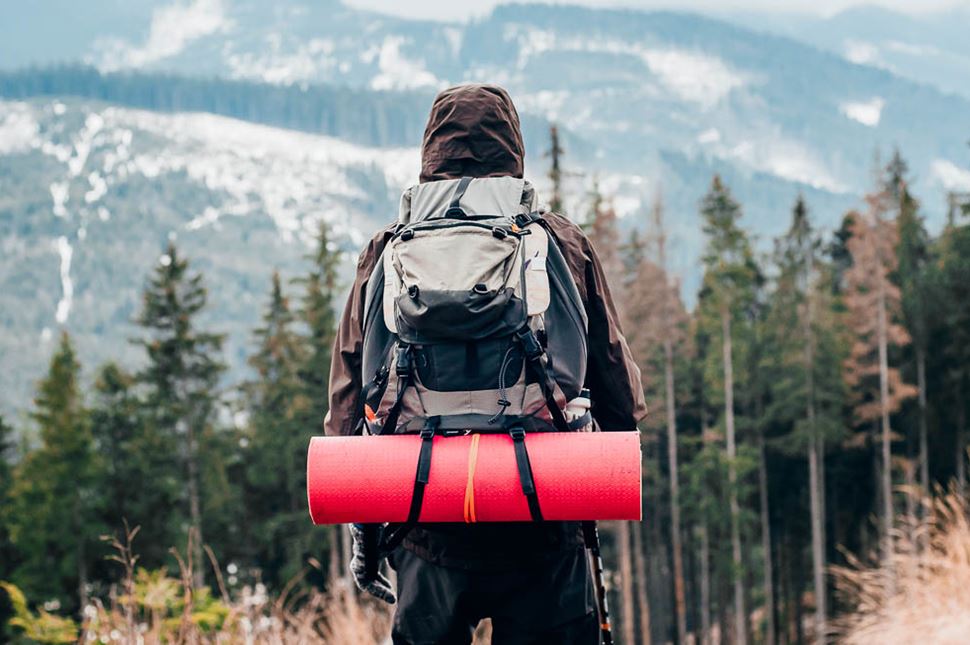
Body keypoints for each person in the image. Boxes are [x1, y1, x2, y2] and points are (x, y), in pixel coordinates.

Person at [324, 83, 647, 645]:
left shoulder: (388, 250)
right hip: (546, 518)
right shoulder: (559, 241)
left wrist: (365, 529)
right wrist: (605, 462)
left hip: (426, 524)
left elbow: (349, 401)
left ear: (430, 157)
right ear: (513, 154)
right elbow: (615, 380)